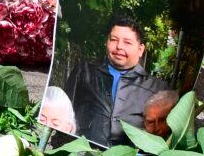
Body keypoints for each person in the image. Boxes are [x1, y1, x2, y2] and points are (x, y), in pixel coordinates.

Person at [63, 15, 168, 147]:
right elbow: (63, 110)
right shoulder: (84, 71)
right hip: (80, 153)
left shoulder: (157, 89)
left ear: (140, 49)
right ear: (107, 42)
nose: (119, 46)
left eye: (127, 42)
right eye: (114, 40)